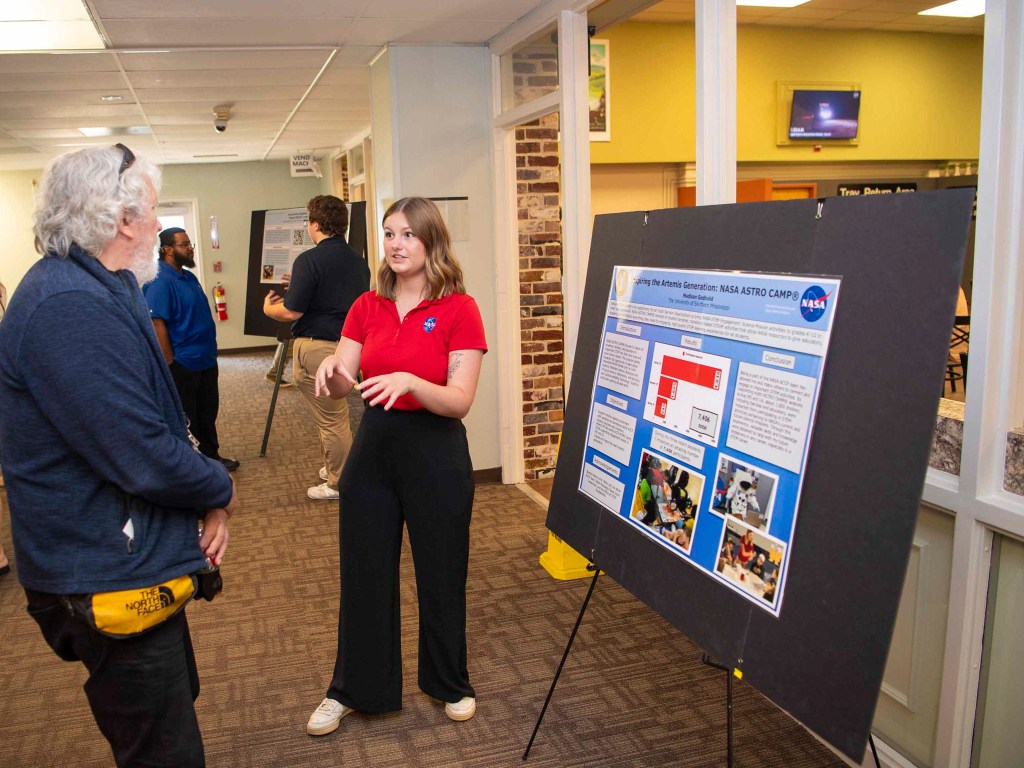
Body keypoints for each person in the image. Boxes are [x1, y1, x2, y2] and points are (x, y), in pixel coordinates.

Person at [0, 144, 237, 767]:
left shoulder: (104, 286)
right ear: (122, 219)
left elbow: (158, 420)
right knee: (162, 750)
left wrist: (205, 490)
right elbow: (140, 454)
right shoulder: (67, 305)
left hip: (129, 557)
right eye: (153, 213)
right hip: (101, 569)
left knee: (171, 707)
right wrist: (218, 487)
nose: (159, 227)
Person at [306, 196, 486, 735]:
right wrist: (333, 375)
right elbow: (347, 378)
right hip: (375, 452)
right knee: (364, 573)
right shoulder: (367, 306)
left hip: (437, 452)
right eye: (389, 233)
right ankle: (352, 689)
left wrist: (411, 382)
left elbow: (459, 400)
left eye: (408, 233)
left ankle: (449, 683)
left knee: (441, 572)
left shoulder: (460, 308)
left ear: (431, 240)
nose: (397, 244)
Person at [263, 195, 370, 500]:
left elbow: (291, 312)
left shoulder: (309, 260)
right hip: (349, 348)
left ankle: (339, 483)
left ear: (315, 224)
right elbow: (334, 297)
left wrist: (268, 309)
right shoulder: (357, 261)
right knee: (332, 416)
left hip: (318, 351)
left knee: (332, 419)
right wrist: (298, 285)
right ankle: (335, 465)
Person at [144, 227, 239, 471]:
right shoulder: (159, 280)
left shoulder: (188, 277)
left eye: (190, 243)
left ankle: (211, 457)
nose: (190, 248)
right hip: (183, 363)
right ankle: (190, 465)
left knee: (207, 411)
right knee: (186, 417)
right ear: (167, 249)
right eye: (183, 244)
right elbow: (156, 322)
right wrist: (170, 364)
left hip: (205, 358)